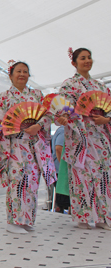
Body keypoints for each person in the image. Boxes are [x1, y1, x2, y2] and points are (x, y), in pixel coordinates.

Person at [0, 61, 56, 234]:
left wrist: (39, 125)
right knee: (16, 181)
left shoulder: (38, 95)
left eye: (25, 71)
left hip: (34, 146)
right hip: (13, 146)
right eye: (18, 71)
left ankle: (27, 220)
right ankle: (13, 221)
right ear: (10, 75)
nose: (22, 74)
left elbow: (48, 115)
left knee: (32, 182)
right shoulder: (4, 97)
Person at [56, 48, 111, 230]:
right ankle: (83, 217)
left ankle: (104, 217)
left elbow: (108, 108)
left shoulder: (101, 86)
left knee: (103, 176)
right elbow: (61, 108)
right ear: (74, 63)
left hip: (100, 138)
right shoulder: (69, 85)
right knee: (82, 177)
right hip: (80, 138)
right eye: (82, 58)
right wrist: (65, 116)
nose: (87, 61)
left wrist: (106, 119)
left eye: (89, 57)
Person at [51, 126, 70, 212]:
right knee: (64, 200)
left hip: (59, 170)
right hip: (60, 170)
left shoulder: (62, 129)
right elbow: (58, 148)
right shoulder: (64, 130)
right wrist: (62, 165)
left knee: (63, 200)